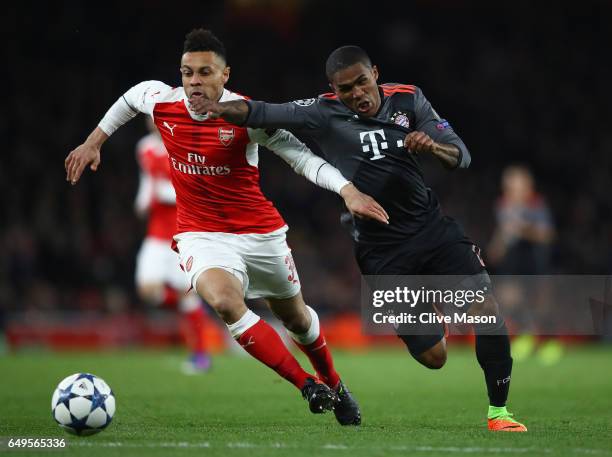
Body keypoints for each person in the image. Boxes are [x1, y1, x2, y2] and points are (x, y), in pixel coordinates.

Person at [190, 45, 527, 432]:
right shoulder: (324, 111)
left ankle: (499, 413)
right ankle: (434, 305)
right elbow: (262, 111)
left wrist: (431, 146)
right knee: (434, 357)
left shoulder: (409, 99)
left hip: (433, 232)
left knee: (485, 311)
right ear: (334, 88)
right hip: (380, 252)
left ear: (375, 74)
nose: (357, 94)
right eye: (346, 88)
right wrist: (215, 107)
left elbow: (461, 157)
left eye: (362, 82)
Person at [65, 31, 389, 425]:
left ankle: (335, 384)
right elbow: (130, 99)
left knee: (298, 320)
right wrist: (93, 141)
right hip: (200, 234)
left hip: (259, 233)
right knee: (224, 302)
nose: (194, 82)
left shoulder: (246, 115)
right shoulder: (163, 102)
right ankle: (306, 385)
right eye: (187, 73)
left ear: (225, 75)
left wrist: (347, 190)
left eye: (205, 73)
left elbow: (302, 159)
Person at [134, 117, 211, 374]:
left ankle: (201, 355)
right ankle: (183, 303)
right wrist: (143, 199)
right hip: (155, 235)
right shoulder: (144, 147)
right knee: (147, 290)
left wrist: (162, 193)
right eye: (149, 118)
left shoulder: (183, 147)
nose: (152, 123)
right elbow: (147, 181)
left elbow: (193, 190)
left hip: (181, 236)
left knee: (187, 296)